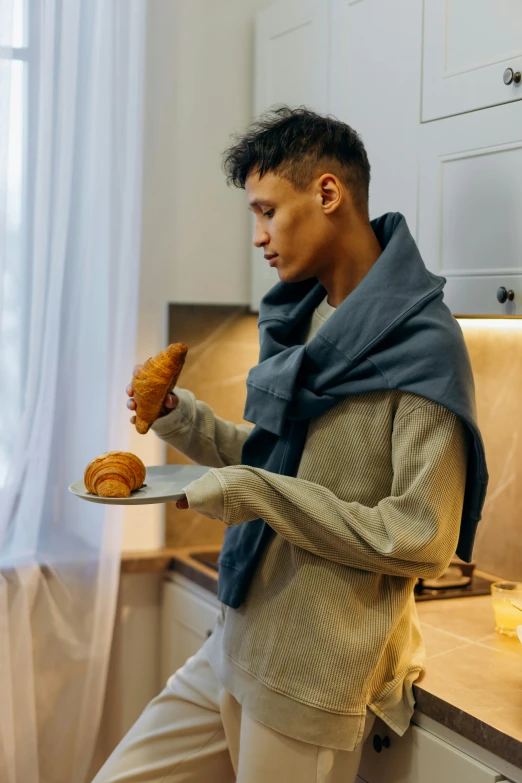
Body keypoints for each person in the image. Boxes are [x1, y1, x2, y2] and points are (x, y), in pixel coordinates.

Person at [92, 106, 487, 783]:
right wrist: (180, 418)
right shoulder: (306, 318)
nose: (258, 237)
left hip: (313, 675)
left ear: (328, 193)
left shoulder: (425, 348)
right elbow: (275, 463)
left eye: (266, 211)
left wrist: (256, 493)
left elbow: (421, 535)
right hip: (238, 636)